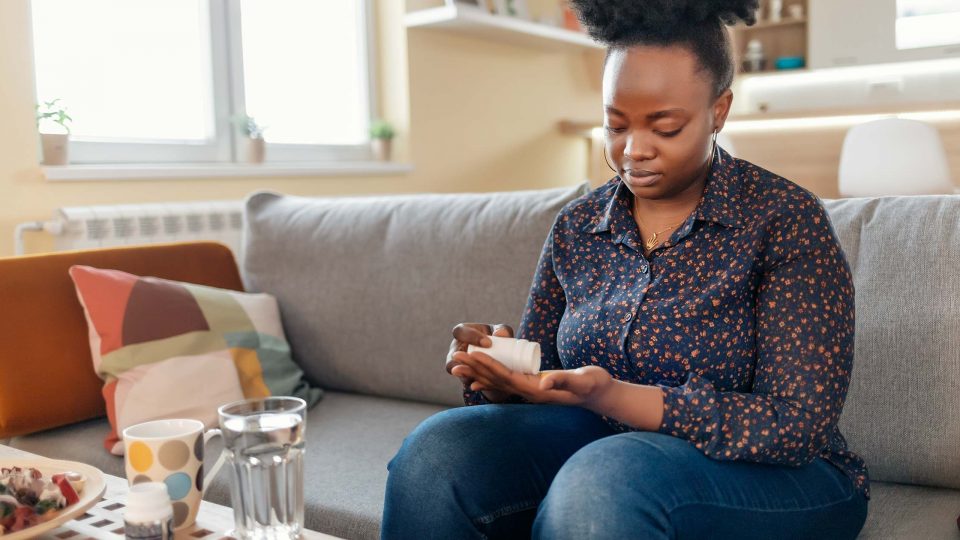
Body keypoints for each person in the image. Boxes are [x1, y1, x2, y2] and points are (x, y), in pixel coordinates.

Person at [381, 0, 869, 538]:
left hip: (779, 476)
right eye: (616, 125)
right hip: (602, 448)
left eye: (665, 126)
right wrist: (499, 372)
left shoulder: (782, 219)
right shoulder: (579, 225)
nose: (634, 150)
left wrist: (610, 395)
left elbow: (797, 426)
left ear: (719, 110)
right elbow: (542, 377)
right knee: (439, 453)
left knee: (605, 479)